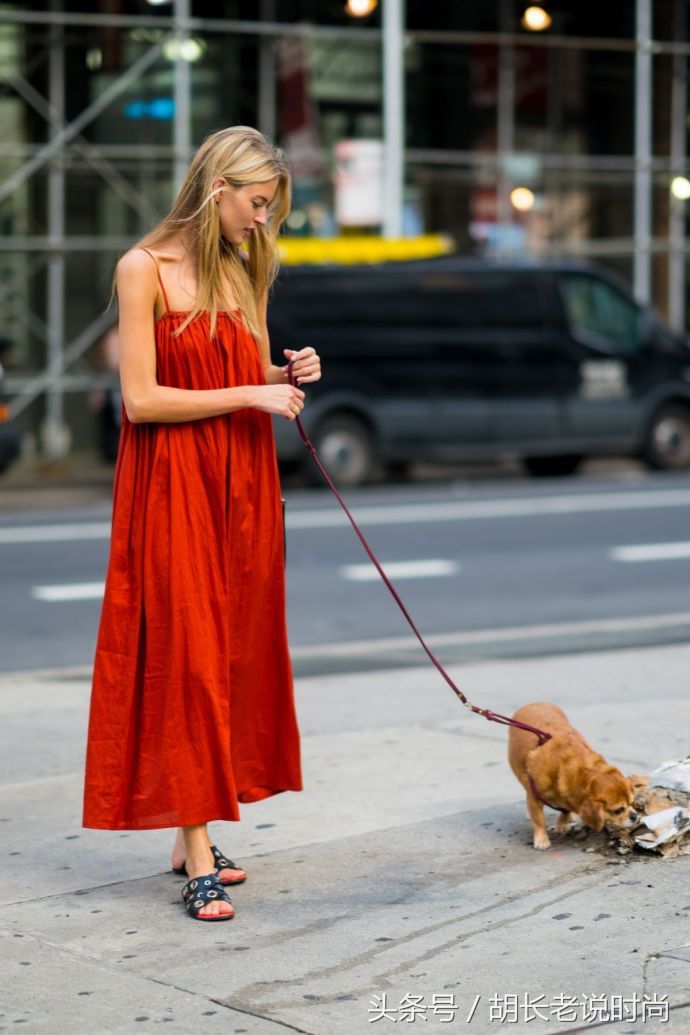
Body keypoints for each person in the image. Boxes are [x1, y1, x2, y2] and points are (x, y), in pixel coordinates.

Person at [82, 126, 321, 922]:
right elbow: (144, 400)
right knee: (185, 657)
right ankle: (197, 851)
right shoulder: (141, 268)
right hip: (174, 486)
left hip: (243, 488)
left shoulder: (244, 268)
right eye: (257, 204)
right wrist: (250, 396)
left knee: (229, 653)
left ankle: (196, 836)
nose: (263, 222)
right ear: (218, 187)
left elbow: (234, 371)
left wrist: (281, 374)